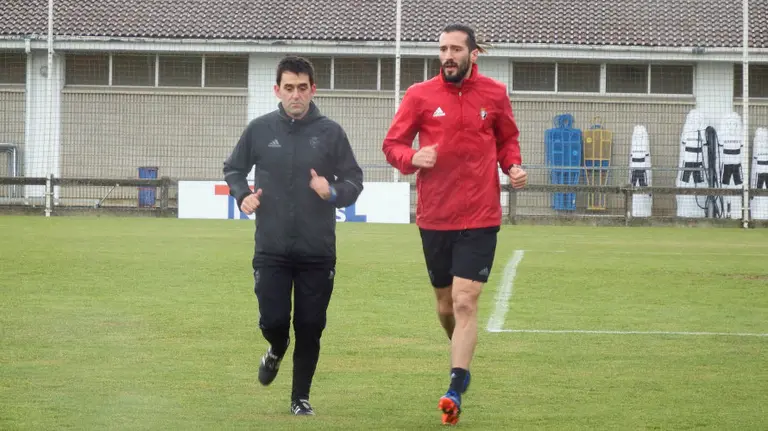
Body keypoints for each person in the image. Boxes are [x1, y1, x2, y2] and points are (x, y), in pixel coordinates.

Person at [381, 23, 528, 425]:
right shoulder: (419, 95)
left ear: (473, 54)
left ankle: (455, 387)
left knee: (466, 301)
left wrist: (512, 165)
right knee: (446, 306)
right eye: (442, 48)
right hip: (435, 217)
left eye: (455, 49)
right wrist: (413, 158)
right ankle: (461, 356)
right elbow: (392, 145)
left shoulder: (495, 94)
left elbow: (507, 140)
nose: (447, 55)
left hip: (481, 215)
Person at [223, 55, 364, 416]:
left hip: (317, 250)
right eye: (289, 88)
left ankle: (300, 398)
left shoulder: (331, 132)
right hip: (271, 248)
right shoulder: (259, 129)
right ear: (277, 90)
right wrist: (243, 196)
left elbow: (354, 182)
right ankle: (274, 348)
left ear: (313, 89)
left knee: (310, 325)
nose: (296, 95)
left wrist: (329, 191)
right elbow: (234, 168)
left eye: (303, 88)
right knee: (274, 322)